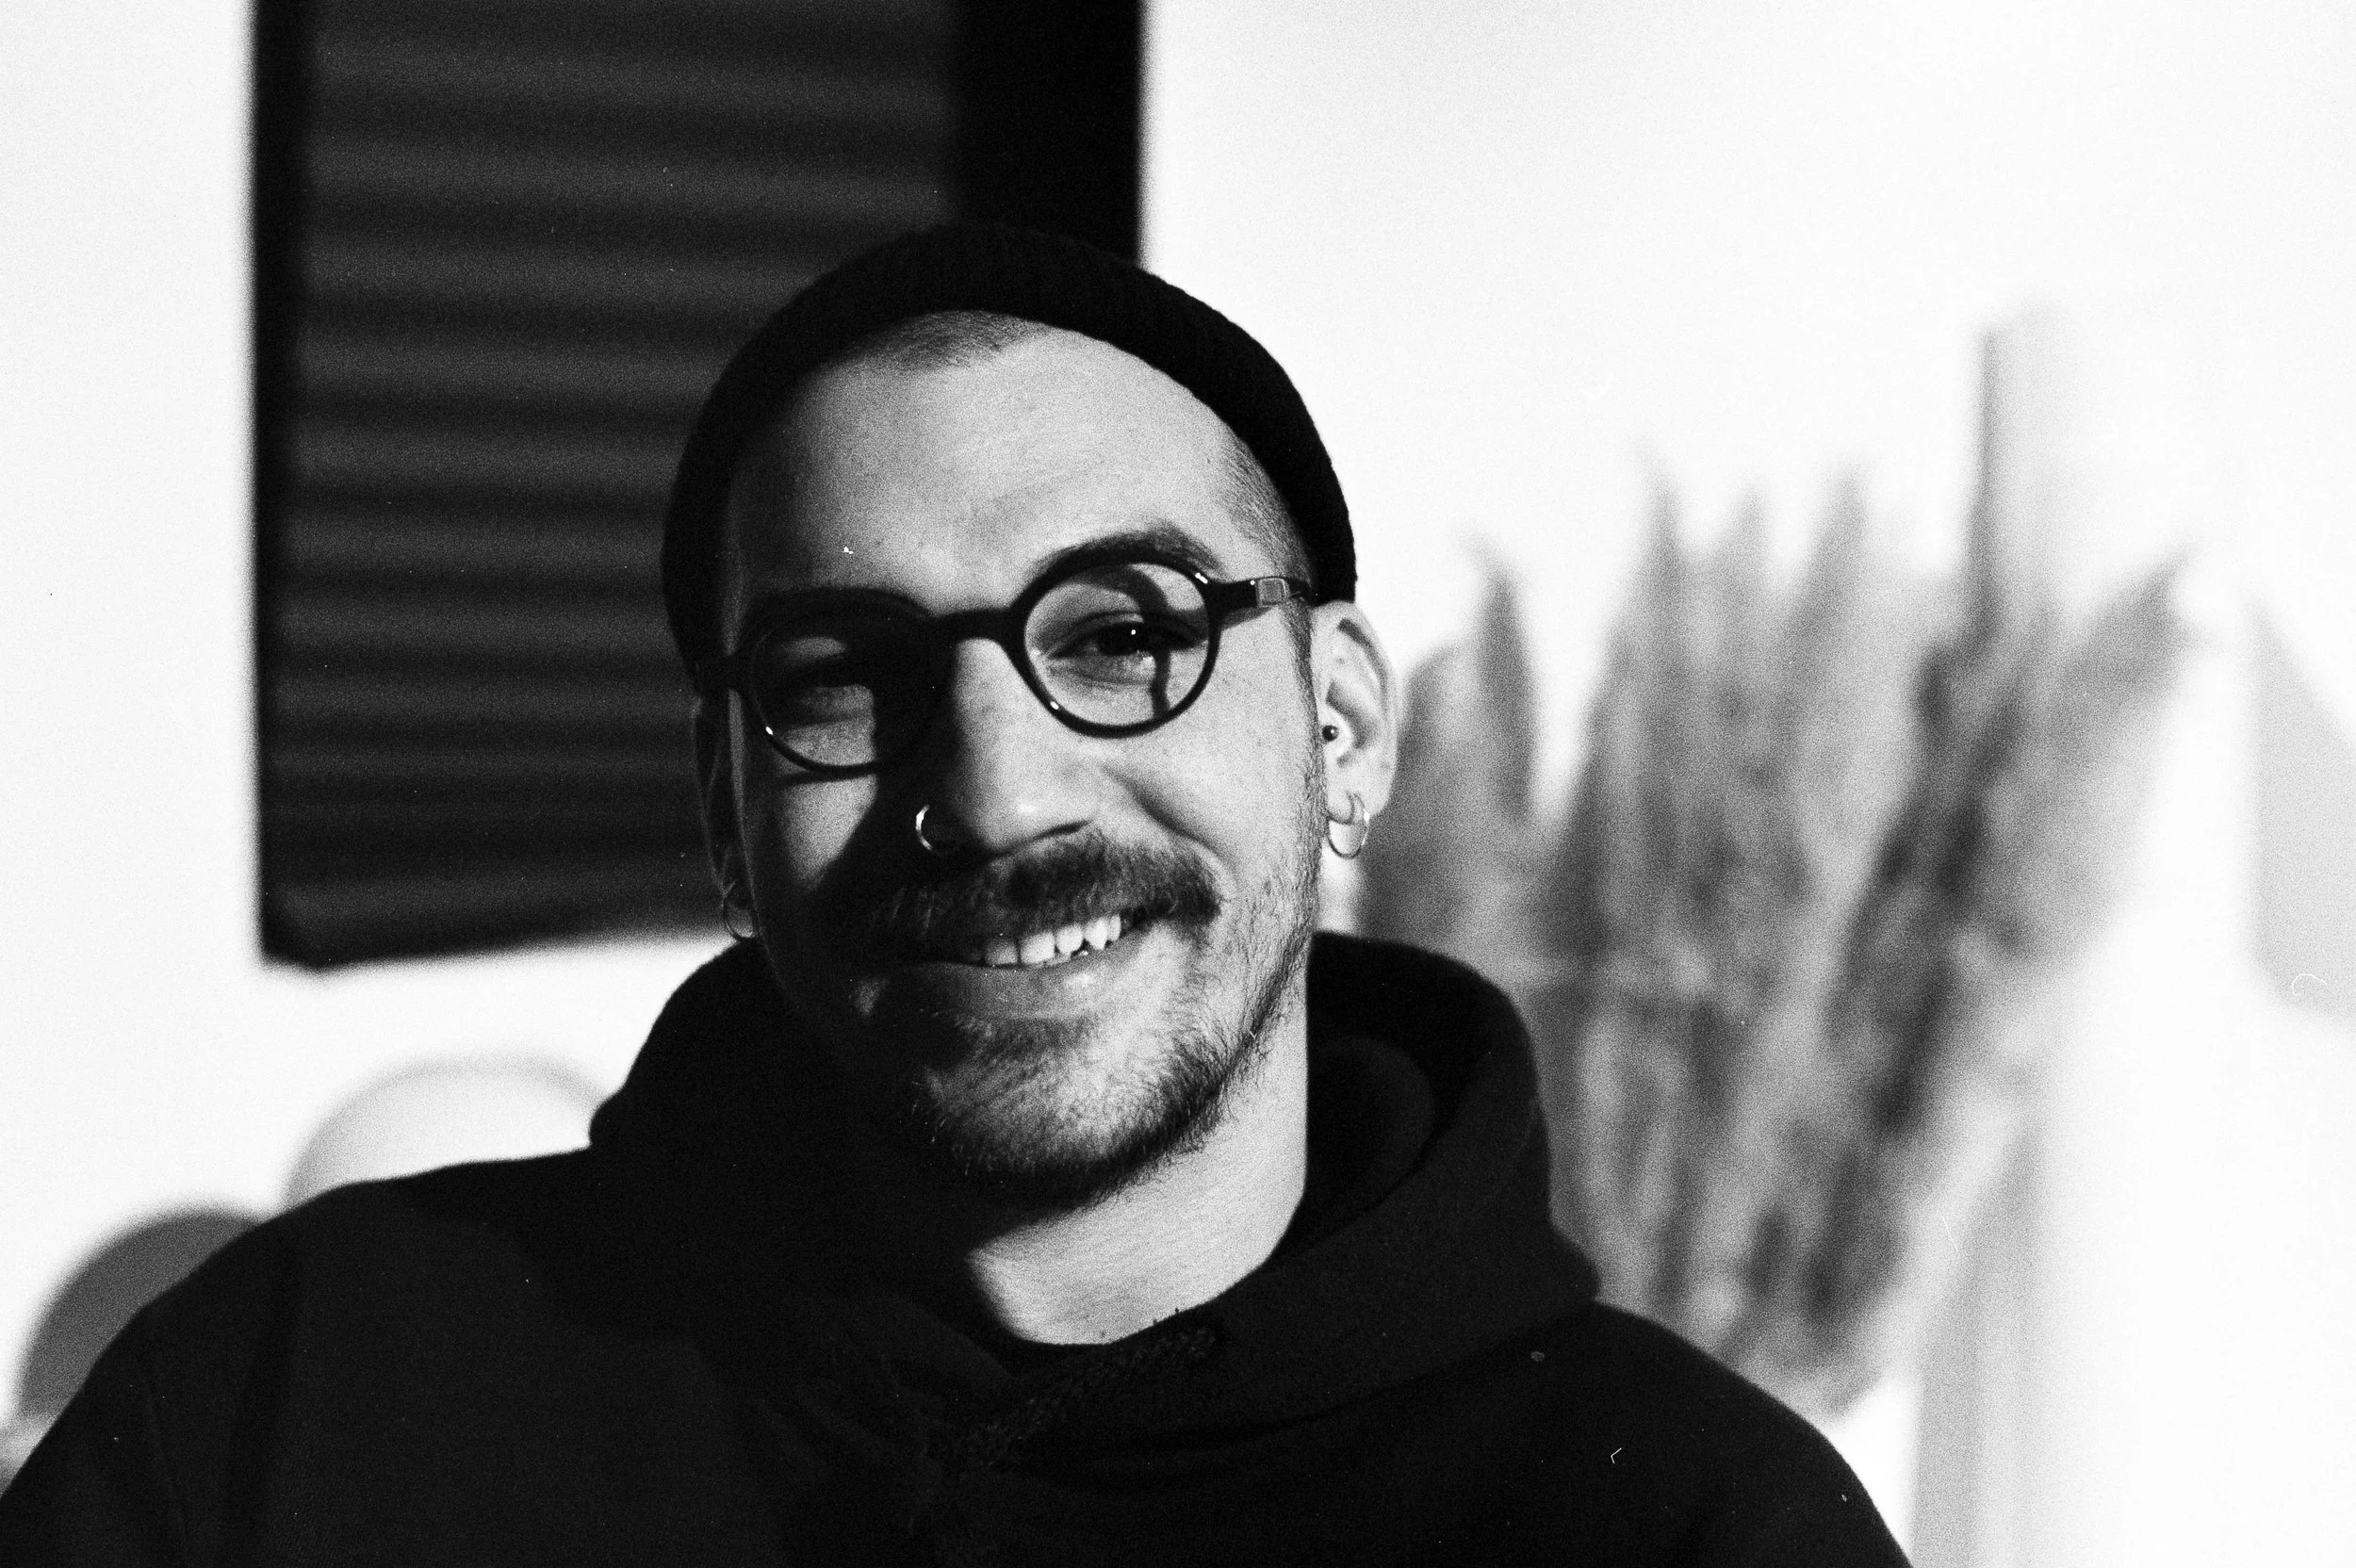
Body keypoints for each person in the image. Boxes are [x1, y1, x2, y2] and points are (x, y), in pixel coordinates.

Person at [0, 225, 1906, 1565]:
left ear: (1339, 727)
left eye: (1119, 631)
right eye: (843, 678)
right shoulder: (302, 1398)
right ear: (724, 813)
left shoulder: (1678, 1521)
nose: (994, 792)